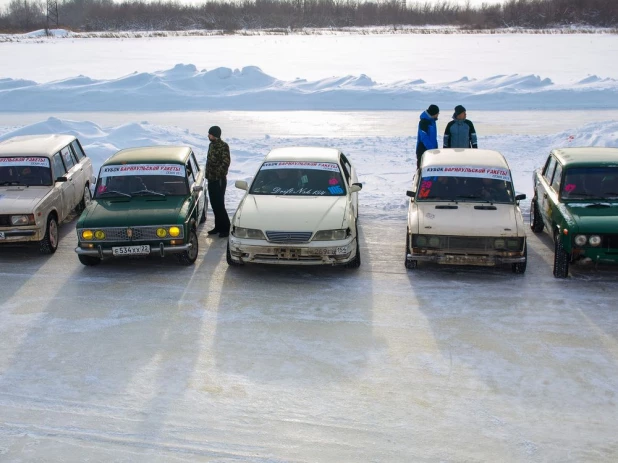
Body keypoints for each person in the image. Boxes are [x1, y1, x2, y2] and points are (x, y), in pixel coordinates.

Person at [205, 125, 231, 237]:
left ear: (215, 135)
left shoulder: (223, 146)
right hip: (211, 179)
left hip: (219, 180)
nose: (208, 136)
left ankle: (226, 228)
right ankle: (218, 226)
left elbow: (225, 163)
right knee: (214, 204)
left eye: (210, 134)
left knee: (220, 204)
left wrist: (217, 175)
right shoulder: (211, 145)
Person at [416, 104, 440, 170]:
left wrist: (435, 147)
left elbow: (433, 137)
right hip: (423, 149)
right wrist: (431, 148)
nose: (438, 115)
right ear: (434, 113)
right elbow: (424, 137)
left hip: (432, 149)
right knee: (421, 169)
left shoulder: (432, 121)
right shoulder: (424, 122)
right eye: (437, 113)